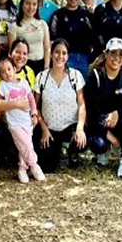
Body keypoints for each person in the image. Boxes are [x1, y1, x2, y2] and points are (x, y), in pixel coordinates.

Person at [84, 38, 122, 179]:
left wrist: (118, 113)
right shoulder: (96, 76)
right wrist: (107, 134)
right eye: (113, 53)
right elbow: (91, 110)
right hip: (102, 121)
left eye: (121, 54)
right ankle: (105, 150)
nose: (116, 58)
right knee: (98, 144)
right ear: (106, 54)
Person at [0, 39, 37, 176]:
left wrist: (35, 115)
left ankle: (22, 162)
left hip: (23, 121)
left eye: (24, 53)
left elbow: (33, 100)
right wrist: (16, 104)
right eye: (17, 52)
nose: (21, 56)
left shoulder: (29, 72)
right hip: (3, 122)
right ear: (10, 53)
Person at [33, 39, 88, 172]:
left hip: (70, 127)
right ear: (51, 54)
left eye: (64, 53)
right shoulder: (41, 77)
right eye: (57, 52)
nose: (60, 56)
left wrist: (80, 128)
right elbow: (35, 107)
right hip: (49, 128)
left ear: (68, 56)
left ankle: (72, 152)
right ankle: (58, 150)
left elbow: (82, 104)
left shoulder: (75, 76)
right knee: (48, 168)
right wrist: (44, 128)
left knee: (81, 141)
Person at [0, 58, 45, 183]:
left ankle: (22, 168)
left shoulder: (24, 83)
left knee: (24, 146)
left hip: (27, 121)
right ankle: (34, 165)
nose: (7, 73)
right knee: (25, 144)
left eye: (9, 69)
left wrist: (34, 113)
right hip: (15, 124)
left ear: (14, 69)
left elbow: (31, 100)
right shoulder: (3, 86)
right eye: (3, 72)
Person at [49, 0, 96, 79]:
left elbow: (94, 37)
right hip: (65, 59)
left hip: (85, 59)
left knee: (83, 91)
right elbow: (53, 40)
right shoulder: (58, 15)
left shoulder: (87, 14)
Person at [9, 0, 51, 75]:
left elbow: (47, 47)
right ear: (22, 5)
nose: (31, 7)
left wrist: (46, 67)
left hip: (41, 65)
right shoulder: (15, 26)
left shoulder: (42, 24)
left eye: (34, 4)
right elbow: (11, 51)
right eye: (27, 3)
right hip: (23, 66)